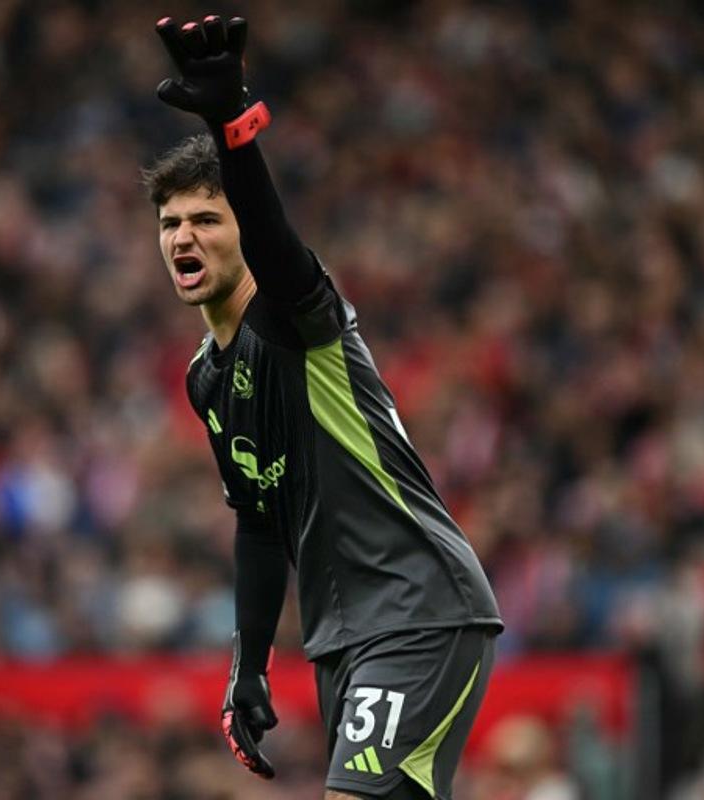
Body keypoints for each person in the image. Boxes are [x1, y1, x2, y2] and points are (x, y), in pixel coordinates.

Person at [144, 15, 503, 800]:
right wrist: (248, 665)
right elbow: (257, 522)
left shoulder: (297, 322)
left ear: (242, 230)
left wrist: (234, 129)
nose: (183, 236)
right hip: (346, 636)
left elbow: (277, 245)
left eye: (206, 219)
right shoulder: (207, 378)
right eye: (170, 223)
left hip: (418, 607)